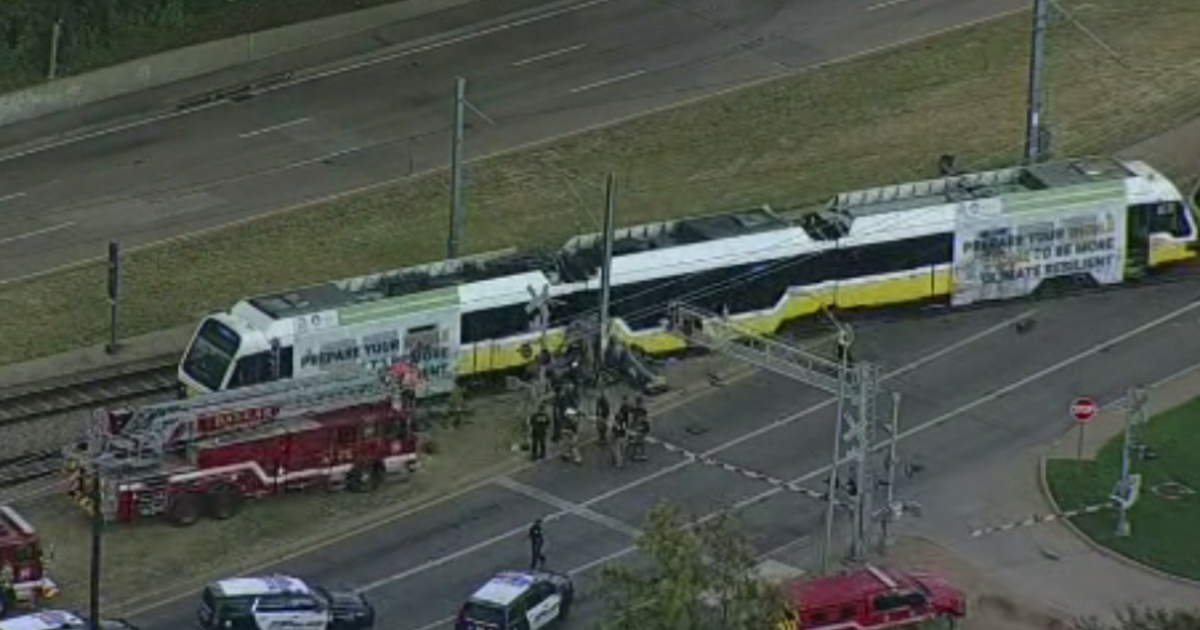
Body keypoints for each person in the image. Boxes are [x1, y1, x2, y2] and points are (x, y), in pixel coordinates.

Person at [611, 397, 630, 469]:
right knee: (621, 449)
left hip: (618, 437)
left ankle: (618, 462)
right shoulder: (623, 422)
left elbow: (614, 430)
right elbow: (624, 428)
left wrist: (614, 435)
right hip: (623, 436)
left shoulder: (617, 423)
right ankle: (619, 460)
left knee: (617, 450)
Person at [630, 396, 650, 461]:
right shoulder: (641, 410)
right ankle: (641, 454)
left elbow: (635, 419)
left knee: (638, 442)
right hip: (639, 427)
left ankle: (637, 454)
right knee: (640, 442)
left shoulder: (637, 410)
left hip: (639, 427)